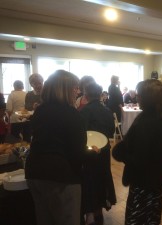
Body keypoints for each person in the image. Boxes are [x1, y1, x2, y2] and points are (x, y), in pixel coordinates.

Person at [25, 70, 100, 225]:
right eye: (75, 88)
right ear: (65, 89)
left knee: (45, 220)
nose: (77, 91)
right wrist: (93, 152)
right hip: (61, 177)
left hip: (34, 172)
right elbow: (77, 154)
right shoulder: (72, 115)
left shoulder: (40, 110)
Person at [112, 79, 162, 225]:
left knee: (137, 219)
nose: (137, 97)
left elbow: (139, 159)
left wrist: (120, 153)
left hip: (145, 182)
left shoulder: (147, 122)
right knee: (152, 217)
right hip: (158, 178)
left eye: (140, 95)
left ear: (148, 98)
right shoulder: (161, 117)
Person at [80, 82, 116, 225]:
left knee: (90, 181)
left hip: (90, 151)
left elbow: (81, 133)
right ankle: (99, 211)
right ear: (100, 94)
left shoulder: (84, 111)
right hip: (105, 150)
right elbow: (112, 131)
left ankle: (90, 214)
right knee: (102, 178)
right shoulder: (107, 110)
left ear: (86, 94)